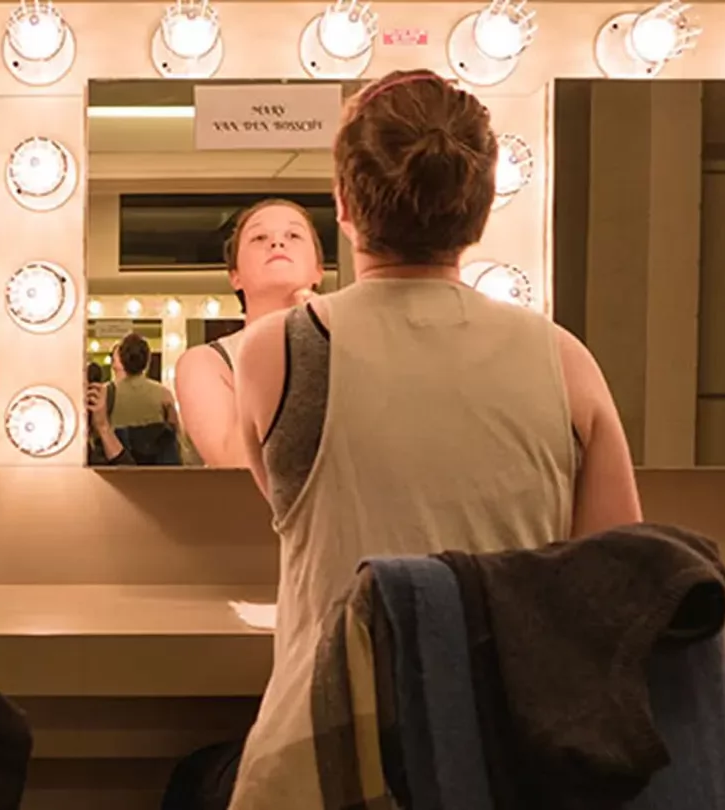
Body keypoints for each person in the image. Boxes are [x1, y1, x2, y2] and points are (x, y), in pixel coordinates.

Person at [224, 69, 643, 807]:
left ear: (344, 204)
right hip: (501, 759)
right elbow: (617, 586)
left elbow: (292, 500)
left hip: (323, 762)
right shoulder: (564, 361)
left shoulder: (278, 353)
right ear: (482, 208)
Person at [174, 199, 324, 467]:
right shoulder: (206, 363)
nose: (277, 243)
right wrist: (297, 346)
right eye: (259, 237)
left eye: (293, 235)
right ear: (235, 276)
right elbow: (236, 465)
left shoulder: (350, 348)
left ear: (318, 271)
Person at [95, 333, 182, 466]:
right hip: (156, 466)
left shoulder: (106, 392)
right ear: (147, 361)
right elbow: (174, 431)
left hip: (118, 460)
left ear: (121, 360)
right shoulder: (163, 393)